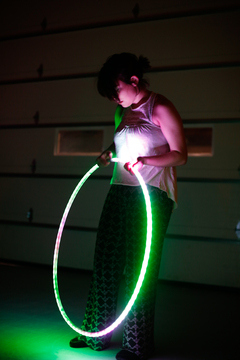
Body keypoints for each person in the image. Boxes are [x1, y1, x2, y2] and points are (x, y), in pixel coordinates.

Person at [69, 53, 187, 360]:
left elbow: (180, 154)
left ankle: (137, 345)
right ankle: (95, 333)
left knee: (139, 271)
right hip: (119, 192)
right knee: (105, 262)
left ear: (134, 81)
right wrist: (109, 153)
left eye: (115, 90)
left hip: (152, 195)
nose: (113, 98)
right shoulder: (122, 113)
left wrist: (145, 161)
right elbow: (122, 143)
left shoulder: (159, 107)